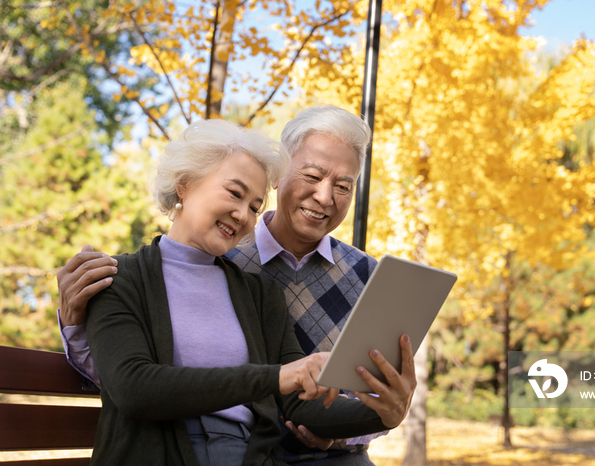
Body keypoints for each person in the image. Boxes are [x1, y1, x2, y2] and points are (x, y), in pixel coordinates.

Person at [57, 106, 417, 465]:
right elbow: (132, 387)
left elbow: (301, 405)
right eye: (234, 193)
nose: (243, 215)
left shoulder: (258, 294)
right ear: (186, 184)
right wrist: (275, 378)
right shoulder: (120, 276)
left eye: (255, 206)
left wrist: (387, 414)